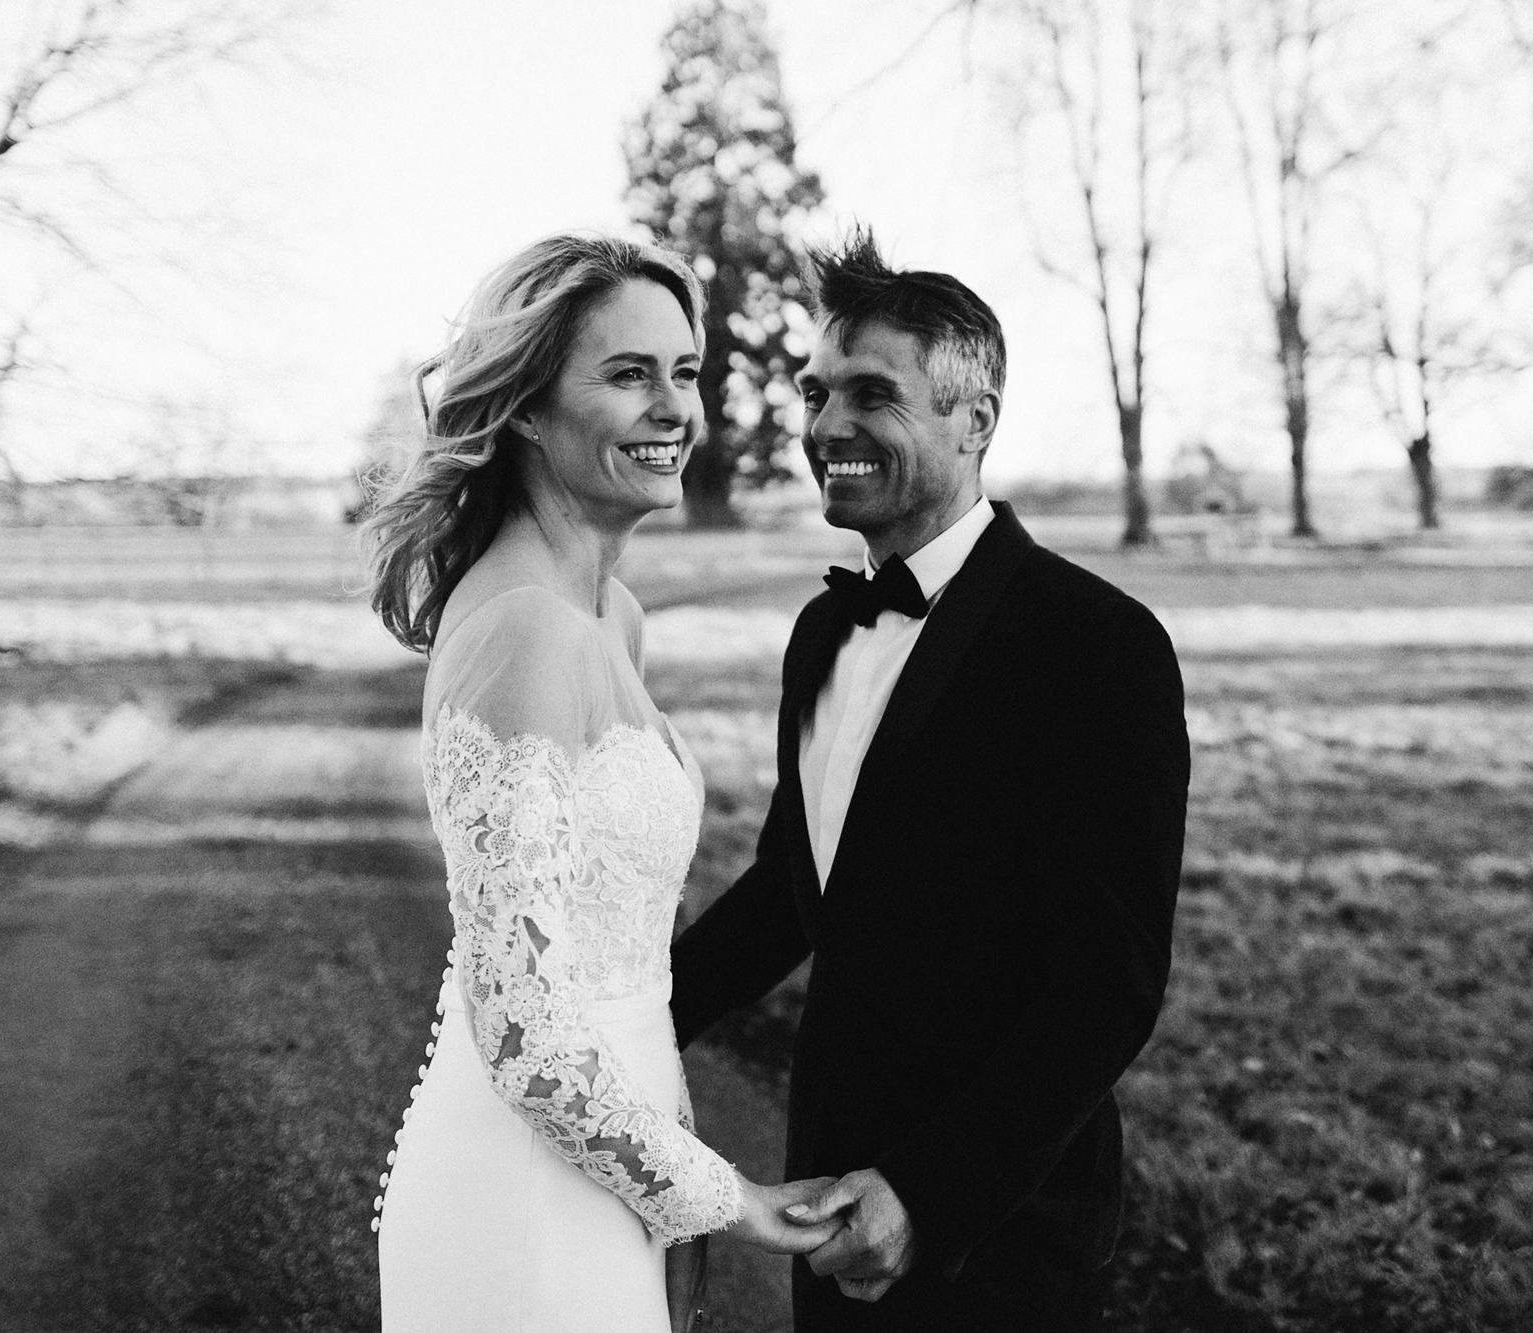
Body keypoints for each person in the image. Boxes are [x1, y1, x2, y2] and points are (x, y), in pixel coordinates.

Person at [669, 229, 1192, 1331]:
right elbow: (790, 885)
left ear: (976, 420)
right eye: (815, 393)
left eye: (870, 394)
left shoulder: (1096, 643)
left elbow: (1110, 980)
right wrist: (634, 1020)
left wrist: (931, 1191)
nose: (826, 427)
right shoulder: (820, 632)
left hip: (999, 1228)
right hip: (825, 1194)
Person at [362, 232, 840, 1333]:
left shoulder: (607, 615)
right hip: (522, 1193)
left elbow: (619, 973)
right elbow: (523, 1024)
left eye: (684, 372)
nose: (674, 406)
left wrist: (659, 1192)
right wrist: (721, 1200)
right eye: (629, 375)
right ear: (526, 406)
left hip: (611, 1164)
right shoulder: (526, 628)